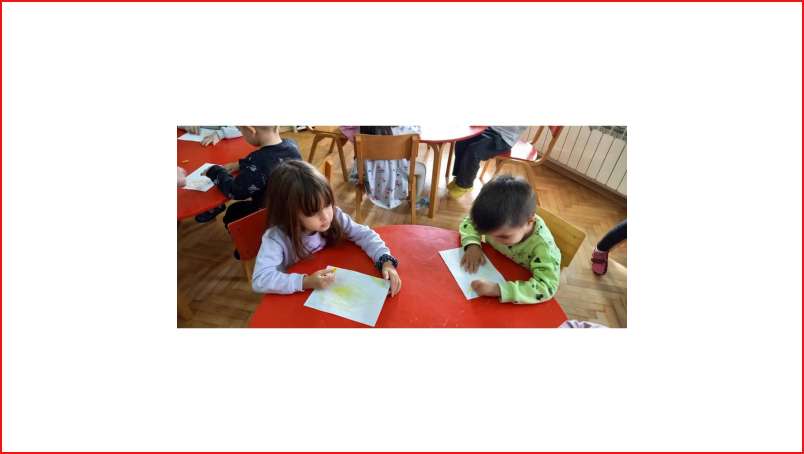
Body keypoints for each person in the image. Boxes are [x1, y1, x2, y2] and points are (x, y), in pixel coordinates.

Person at [252, 160, 402, 296]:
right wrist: (306, 282)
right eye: (313, 212)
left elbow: (364, 234)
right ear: (288, 213)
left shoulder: (335, 215)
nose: (325, 216)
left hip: (329, 287)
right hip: (297, 295)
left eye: (327, 204)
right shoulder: (276, 238)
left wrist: (385, 261)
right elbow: (260, 279)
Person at [459, 175, 560, 303]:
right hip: (498, 262)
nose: (492, 239)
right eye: (487, 233)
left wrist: (498, 290)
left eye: (503, 236)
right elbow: (469, 222)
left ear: (529, 221)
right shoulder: (501, 223)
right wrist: (472, 244)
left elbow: (546, 287)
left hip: (521, 279)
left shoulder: (544, 248)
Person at [198, 126, 302, 226]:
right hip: (292, 208)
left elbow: (235, 191)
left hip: (270, 217)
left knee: (232, 213)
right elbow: (273, 160)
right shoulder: (292, 144)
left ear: (250, 130)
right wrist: (240, 164)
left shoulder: (258, 160)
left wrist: (214, 171)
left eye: (240, 130)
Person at [340, 126, 429, 209]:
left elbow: (344, 127)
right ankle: (415, 201)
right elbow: (418, 131)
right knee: (422, 169)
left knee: (359, 165)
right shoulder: (402, 131)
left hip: (369, 175)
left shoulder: (358, 134)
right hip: (396, 173)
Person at [447, 126, 527, 199]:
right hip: (490, 129)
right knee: (462, 141)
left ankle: (464, 185)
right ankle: (459, 177)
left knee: (474, 151)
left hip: (504, 139)